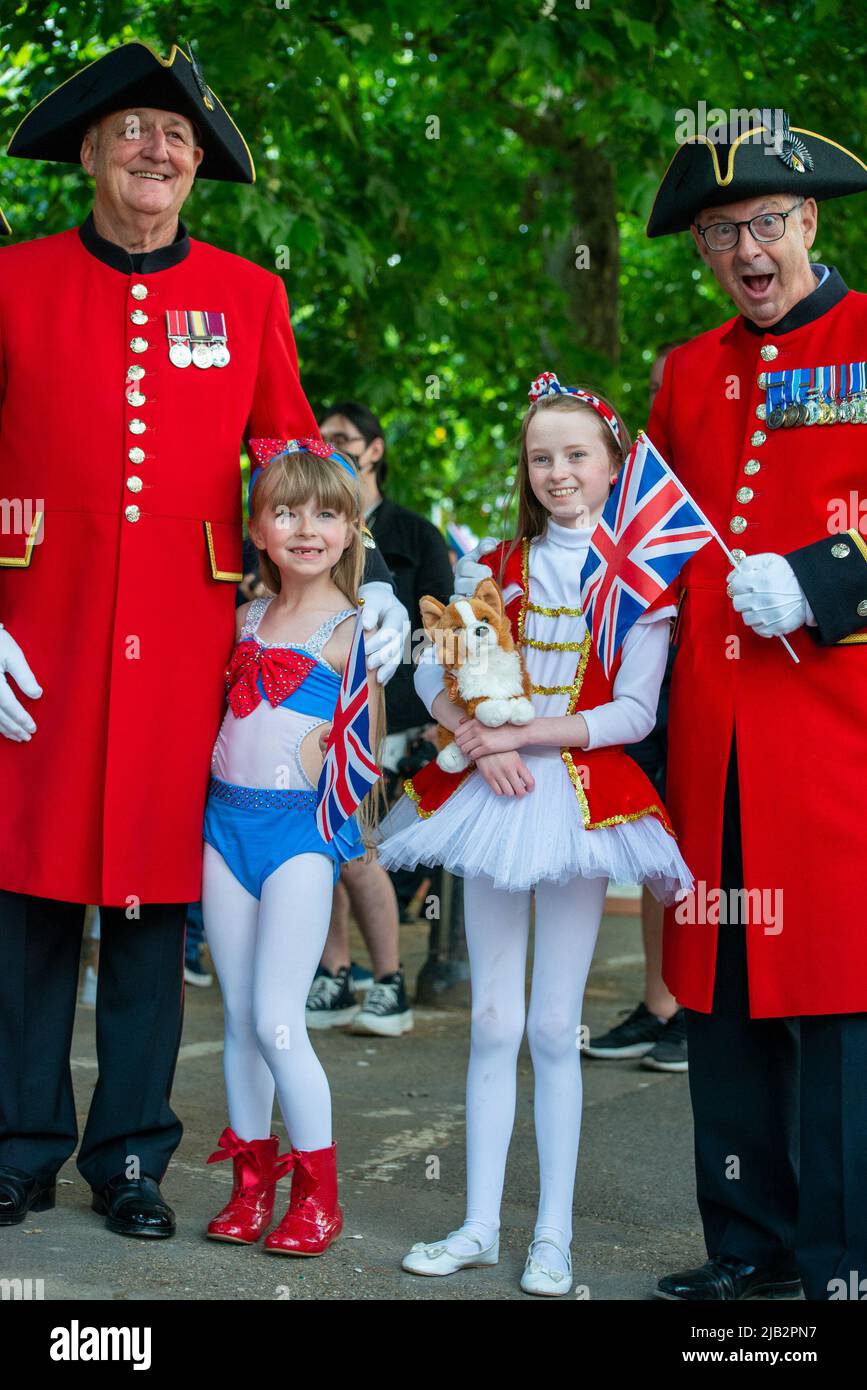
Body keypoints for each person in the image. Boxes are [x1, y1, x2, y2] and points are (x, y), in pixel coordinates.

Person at [0, 40, 407, 1239]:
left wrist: (358, 584)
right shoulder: (12, 279)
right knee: (25, 903)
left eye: (176, 137)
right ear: (87, 153)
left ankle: (130, 1157)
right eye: (131, 129)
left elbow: (295, 463)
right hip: (39, 642)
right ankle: (17, 1149)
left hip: (186, 650)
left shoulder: (246, 295)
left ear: (196, 168)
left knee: (144, 905)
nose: (156, 149)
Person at [376, 372, 693, 1296]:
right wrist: (471, 735)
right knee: (490, 1019)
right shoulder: (491, 569)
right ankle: (477, 1224)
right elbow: (433, 677)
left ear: (613, 464)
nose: (557, 472)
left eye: (576, 455)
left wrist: (516, 734)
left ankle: (549, 1234)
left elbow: (633, 713)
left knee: (555, 1025)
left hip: (580, 801)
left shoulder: (638, 578)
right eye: (540, 456)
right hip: (491, 794)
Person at [645, 113, 867, 1301]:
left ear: (811, 222)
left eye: (765, 222)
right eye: (720, 231)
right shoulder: (687, 369)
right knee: (721, 1003)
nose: (745, 248)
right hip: (716, 741)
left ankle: (847, 1257)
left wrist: (829, 577)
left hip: (841, 739)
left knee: (841, 1003)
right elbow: (647, 541)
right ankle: (750, 1246)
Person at [201, 437, 383, 1255]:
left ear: (350, 528)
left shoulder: (356, 629)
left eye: (325, 513)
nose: (305, 527)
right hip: (223, 828)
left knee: (279, 1018)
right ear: (259, 528)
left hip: (299, 837)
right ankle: (249, 1184)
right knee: (238, 1016)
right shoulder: (239, 617)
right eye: (285, 512)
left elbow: (364, 753)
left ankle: (318, 1195)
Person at [306, 402, 454, 1036]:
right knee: (318, 849)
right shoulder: (308, 521)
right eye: (322, 438)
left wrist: (435, 718)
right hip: (318, 703)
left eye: (343, 439)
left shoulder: (414, 533)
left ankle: (389, 980)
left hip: (396, 717)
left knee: (363, 852)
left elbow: (445, 626)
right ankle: (334, 974)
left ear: (374, 449)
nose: (330, 445)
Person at [584, 341, 687, 1072]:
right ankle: (660, 1002)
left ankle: (690, 1006)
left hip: (706, 669)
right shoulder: (633, 493)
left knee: (696, 853)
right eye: (654, 388)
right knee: (660, 847)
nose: (663, 402)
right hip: (636, 683)